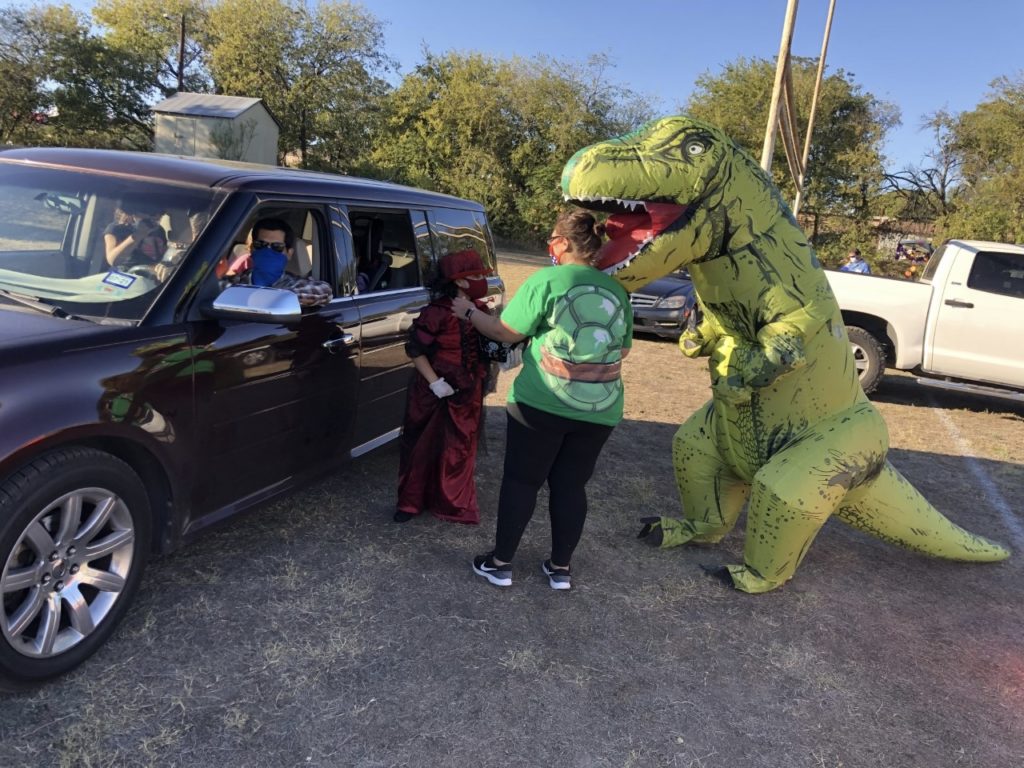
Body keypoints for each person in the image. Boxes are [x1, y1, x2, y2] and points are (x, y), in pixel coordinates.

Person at [453, 209, 632, 590]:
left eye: (552, 237)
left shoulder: (547, 281)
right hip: (601, 408)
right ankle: (560, 569)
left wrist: (468, 312)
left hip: (542, 402)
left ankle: (500, 564)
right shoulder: (616, 290)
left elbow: (504, 331)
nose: (549, 244)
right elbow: (623, 350)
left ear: (564, 242)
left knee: (521, 481)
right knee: (571, 486)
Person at [394, 249, 494, 524]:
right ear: (460, 281)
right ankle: (411, 502)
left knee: (459, 447)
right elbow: (415, 349)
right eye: (475, 276)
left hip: (468, 391)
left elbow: (491, 345)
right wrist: (435, 382)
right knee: (422, 445)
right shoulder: (437, 312)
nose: (481, 281)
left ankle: (453, 502)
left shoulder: (481, 310)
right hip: (432, 389)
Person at [224, 218, 333, 307]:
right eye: (260, 244)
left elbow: (325, 290)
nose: (267, 251)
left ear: (289, 253)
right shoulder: (235, 282)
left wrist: (274, 297)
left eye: (277, 247)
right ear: (252, 249)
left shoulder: (295, 284)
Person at [104, 202, 168, 270]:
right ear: (134, 213)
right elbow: (113, 260)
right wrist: (137, 235)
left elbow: (162, 255)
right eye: (151, 214)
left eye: (158, 218)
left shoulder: (159, 230)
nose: (155, 220)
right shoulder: (116, 228)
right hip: (127, 273)